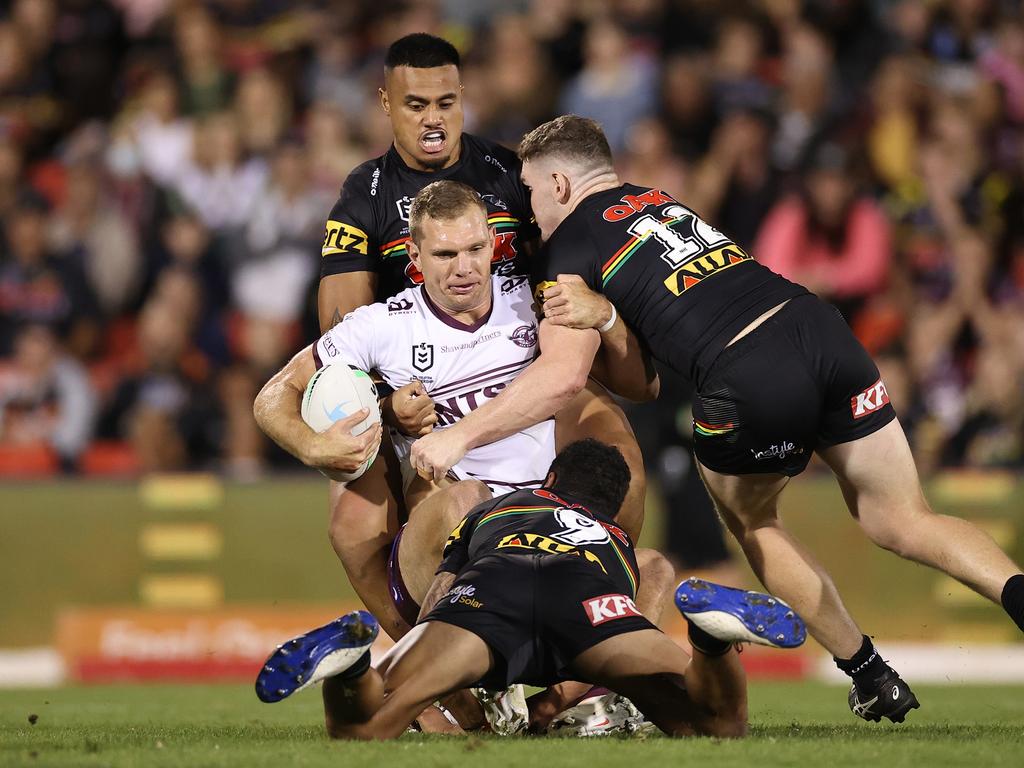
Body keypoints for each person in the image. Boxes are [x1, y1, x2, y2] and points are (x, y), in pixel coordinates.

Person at [409, 115, 1024, 724]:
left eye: (533, 193)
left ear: (561, 187)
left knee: (755, 522)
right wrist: (605, 319)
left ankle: (871, 675)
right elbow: (645, 380)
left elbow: (564, 378)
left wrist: (458, 434)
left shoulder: (569, 244)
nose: (530, 212)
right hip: (821, 332)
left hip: (745, 373)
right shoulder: (660, 202)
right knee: (903, 517)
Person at [254, 180, 672, 732]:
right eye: (446, 254)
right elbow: (271, 397)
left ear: (493, 244)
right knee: (463, 500)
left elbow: (639, 378)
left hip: (544, 530)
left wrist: (605, 314)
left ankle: (559, 708)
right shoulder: (383, 327)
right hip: (452, 549)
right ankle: (435, 685)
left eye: (476, 249)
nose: (464, 268)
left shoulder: (536, 297)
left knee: (657, 572)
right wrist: (318, 445)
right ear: (415, 257)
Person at [311, 33, 652, 655]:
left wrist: (602, 319)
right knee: (353, 525)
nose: (434, 118)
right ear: (385, 102)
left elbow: (577, 255)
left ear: (464, 96)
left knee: (617, 457)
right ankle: (438, 675)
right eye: (416, 104)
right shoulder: (363, 198)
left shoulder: (511, 176)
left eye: (446, 101)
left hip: (528, 362)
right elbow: (340, 328)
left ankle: (600, 636)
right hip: (421, 394)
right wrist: (387, 409)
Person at [255, 439, 808, 740]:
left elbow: (447, 585)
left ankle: (353, 667)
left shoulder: (501, 508)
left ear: (549, 484)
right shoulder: (617, 540)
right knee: (714, 720)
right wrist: (560, 696)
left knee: (367, 723)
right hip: (589, 599)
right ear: (610, 508)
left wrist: (432, 675)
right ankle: (710, 643)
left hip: (492, 589)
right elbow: (648, 589)